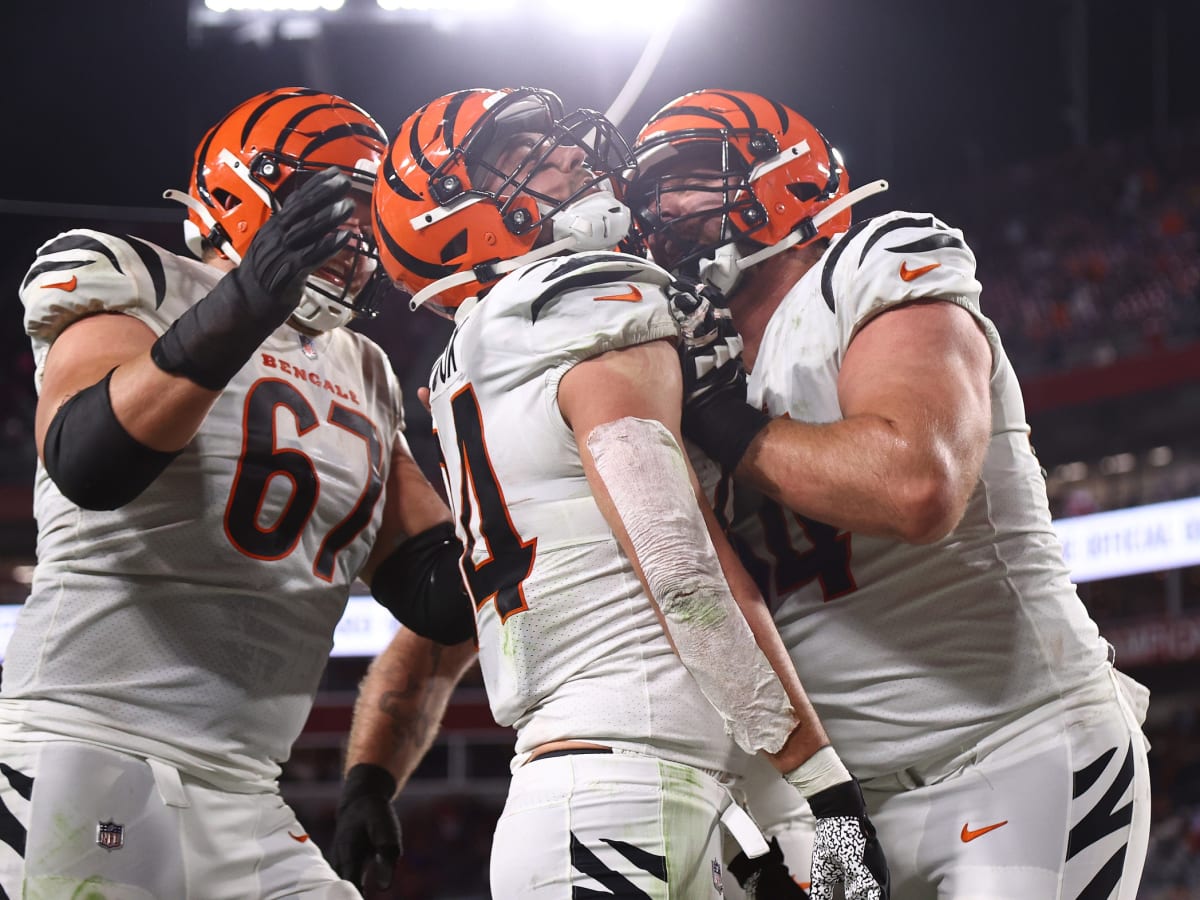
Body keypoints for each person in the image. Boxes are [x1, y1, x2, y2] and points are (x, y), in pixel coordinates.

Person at [331, 86, 889, 899]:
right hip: (626, 788)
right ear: (448, 214)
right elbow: (673, 555)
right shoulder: (580, 296)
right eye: (524, 160)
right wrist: (826, 786)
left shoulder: (473, 354)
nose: (570, 160)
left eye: (558, 147)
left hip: (629, 781)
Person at [625, 88, 1152, 899]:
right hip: (837, 804)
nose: (664, 209)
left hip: (1015, 752)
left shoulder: (872, 265)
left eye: (693, 177)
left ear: (787, 176)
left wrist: (730, 429)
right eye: (652, 193)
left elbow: (918, 486)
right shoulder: (691, 366)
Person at [0, 86, 477, 898]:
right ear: (244, 190)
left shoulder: (363, 365)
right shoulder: (135, 275)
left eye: (371, 217)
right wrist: (248, 304)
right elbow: (88, 462)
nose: (355, 238)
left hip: (249, 790)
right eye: (333, 207)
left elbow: (440, 593)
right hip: (86, 748)